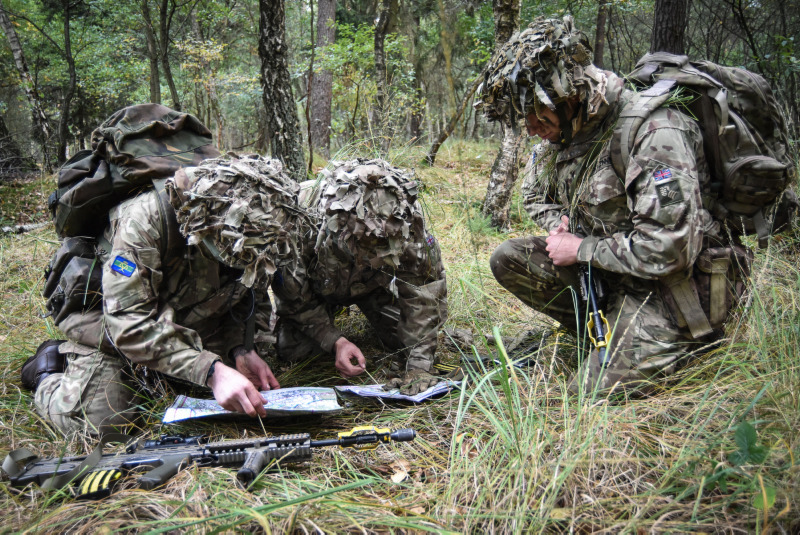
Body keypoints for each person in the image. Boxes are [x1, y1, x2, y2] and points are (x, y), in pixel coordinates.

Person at [476, 16, 748, 394]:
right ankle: (607, 323)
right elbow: (534, 196)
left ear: (569, 96)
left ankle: (679, 343)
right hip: (608, 272)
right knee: (508, 257)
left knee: (583, 395)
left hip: (674, 288)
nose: (533, 130)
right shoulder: (565, 135)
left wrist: (582, 248)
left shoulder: (655, 133)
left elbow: (672, 249)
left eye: (538, 116)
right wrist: (564, 222)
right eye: (525, 119)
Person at [22, 153, 306, 435]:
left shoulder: (263, 234)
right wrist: (211, 371)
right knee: (104, 424)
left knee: (252, 365)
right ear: (207, 228)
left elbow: (243, 297)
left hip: (185, 312)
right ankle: (48, 372)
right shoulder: (144, 221)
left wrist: (240, 348)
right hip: (110, 320)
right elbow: (128, 323)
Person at [271, 159, 448, 395]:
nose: (368, 255)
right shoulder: (302, 218)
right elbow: (293, 296)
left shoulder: (405, 224)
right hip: (317, 290)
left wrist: (419, 367)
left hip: (372, 287)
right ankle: (330, 316)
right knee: (293, 350)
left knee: (406, 343)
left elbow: (424, 294)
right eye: (360, 244)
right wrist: (336, 341)